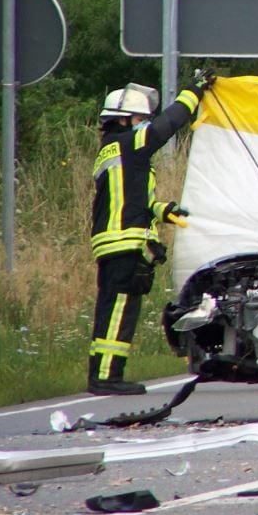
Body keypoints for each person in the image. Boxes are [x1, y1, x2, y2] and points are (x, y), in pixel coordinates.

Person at [88, 73, 213, 395]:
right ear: (126, 121)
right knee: (118, 312)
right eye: (141, 118)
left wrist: (162, 211)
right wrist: (194, 92)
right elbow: (168, 125)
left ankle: (104, 374)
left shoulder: (114, 150)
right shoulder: (129, 143)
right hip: (123, 241)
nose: (146, 123)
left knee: (113, 310)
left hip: (115, 241)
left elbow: (131, 198)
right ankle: (105, 378)